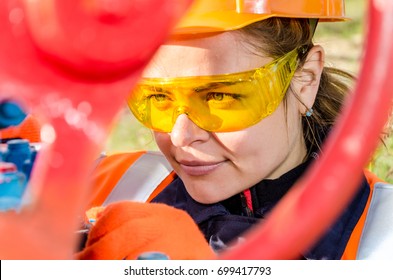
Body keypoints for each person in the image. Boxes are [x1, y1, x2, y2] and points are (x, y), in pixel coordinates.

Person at [76, 0, 393, 260]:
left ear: (305, 78)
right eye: (158, 97)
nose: (180, 137)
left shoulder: (381, 242)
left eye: (220, 97)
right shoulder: (108, 188)